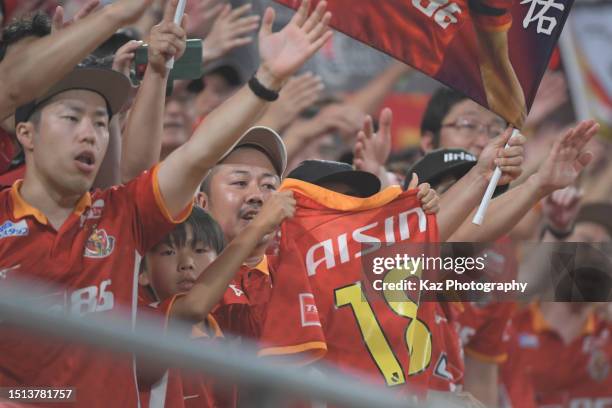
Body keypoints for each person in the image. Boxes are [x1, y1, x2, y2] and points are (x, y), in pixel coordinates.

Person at [0, 0, 332, 405]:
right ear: (26, 134)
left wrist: (267, 79)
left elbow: (198, 154)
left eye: (102, 122)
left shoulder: (123, 213)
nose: (90, 134)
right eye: (72, 118)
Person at [138, 196, 295, 408]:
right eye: (169, 252)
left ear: (220, 262)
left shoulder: (223, 333)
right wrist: (258, 226)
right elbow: (195, 307)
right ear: (142, 273)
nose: (187, 263)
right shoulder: (140, 319)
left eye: (200, 250)